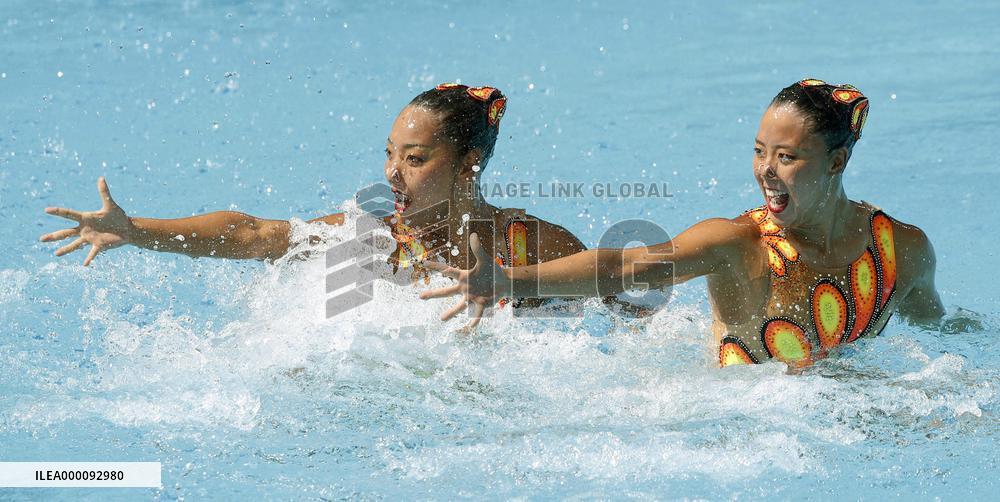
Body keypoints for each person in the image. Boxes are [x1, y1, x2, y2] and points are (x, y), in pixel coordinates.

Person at [421, 79, 950, 366]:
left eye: (787, 156)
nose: (766, 170)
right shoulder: (737, 243)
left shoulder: (901, 249)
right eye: (759, 151)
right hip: (740, 426)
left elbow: (937, 336)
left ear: (836, 162)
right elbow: (627, 264)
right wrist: (512, 280)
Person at [39, 83, 587, 310]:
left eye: (415, 159)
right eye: (390, 153)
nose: (393, 173)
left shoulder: (530, 244)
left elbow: (629, 309)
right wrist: (137, 231)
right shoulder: (367, 236)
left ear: (468, 163)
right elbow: (254, 233)